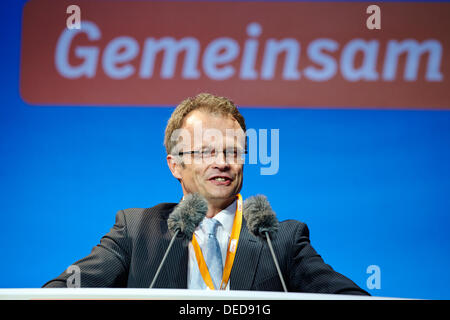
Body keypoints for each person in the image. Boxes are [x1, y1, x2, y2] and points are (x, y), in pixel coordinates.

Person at [43, 93, 369, 295]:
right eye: (206, 152)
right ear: (175, 164)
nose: (222, 163)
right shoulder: (136, 229)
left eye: (232, 151)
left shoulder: (282, 239)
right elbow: (58, 293)